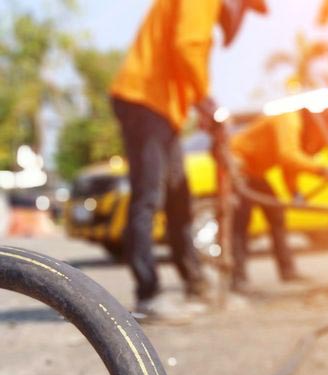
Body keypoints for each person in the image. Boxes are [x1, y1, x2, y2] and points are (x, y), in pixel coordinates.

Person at [110, 0, 268, 320]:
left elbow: (183, 54)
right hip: (144, 100)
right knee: (148, 197)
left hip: (163, 109)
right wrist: (206, 101)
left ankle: (196, 286)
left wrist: (200, 106)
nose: (242, 18)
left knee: (180, 199)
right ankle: (148, 295)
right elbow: (188, 46)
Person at [229, 108, 328, 292]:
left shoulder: (296, 128)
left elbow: (288, 168)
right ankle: (237, 278)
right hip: (237, 163)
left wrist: (295, 193)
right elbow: (288, 156)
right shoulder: (289, 119)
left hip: (254, 172)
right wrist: (323, 170)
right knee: (241, 220)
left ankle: (288, 271)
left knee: (276, 214)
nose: (318, 144)